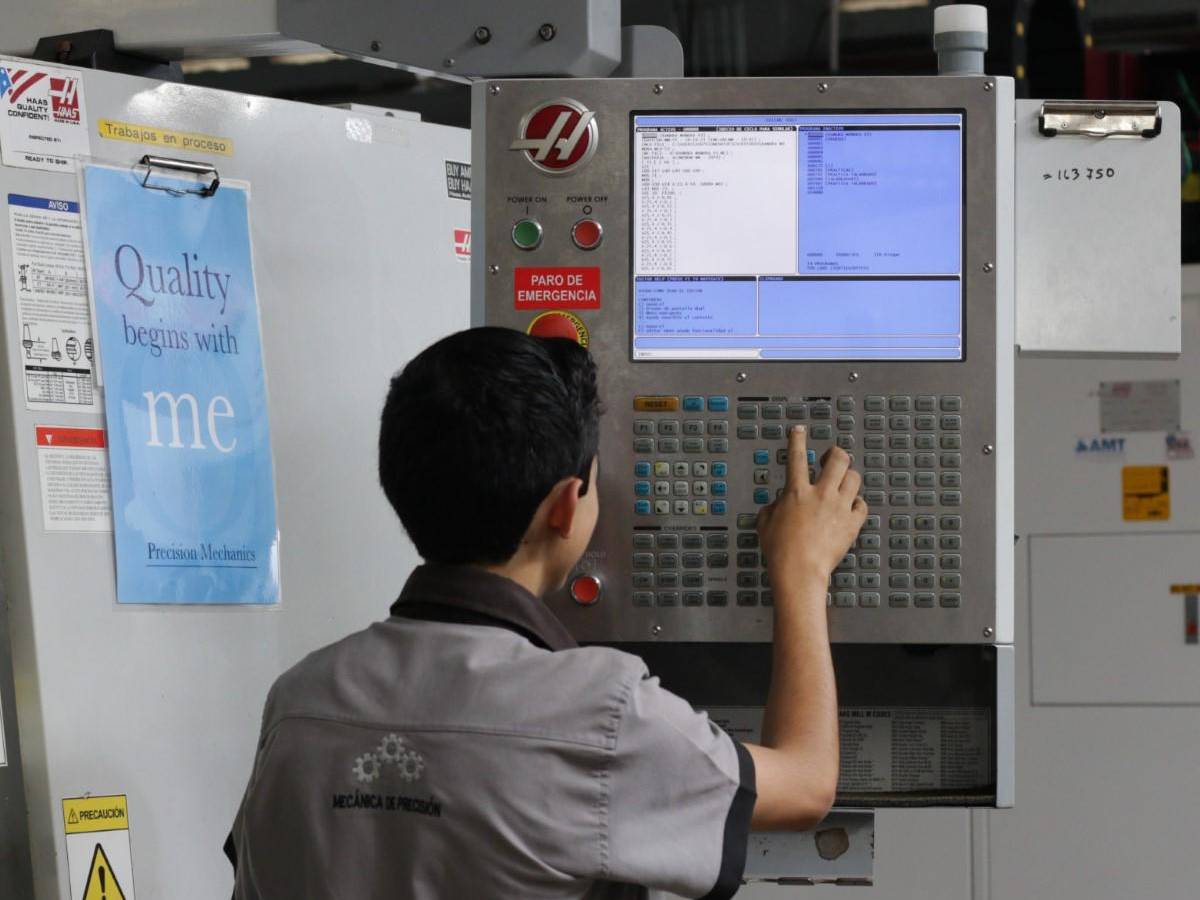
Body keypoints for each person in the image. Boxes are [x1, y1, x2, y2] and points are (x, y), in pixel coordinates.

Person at [227, 327, 867, 899]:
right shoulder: (602, 714)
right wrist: (802, 572)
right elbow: (808, 785)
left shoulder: (299, 701)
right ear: (567, 506)